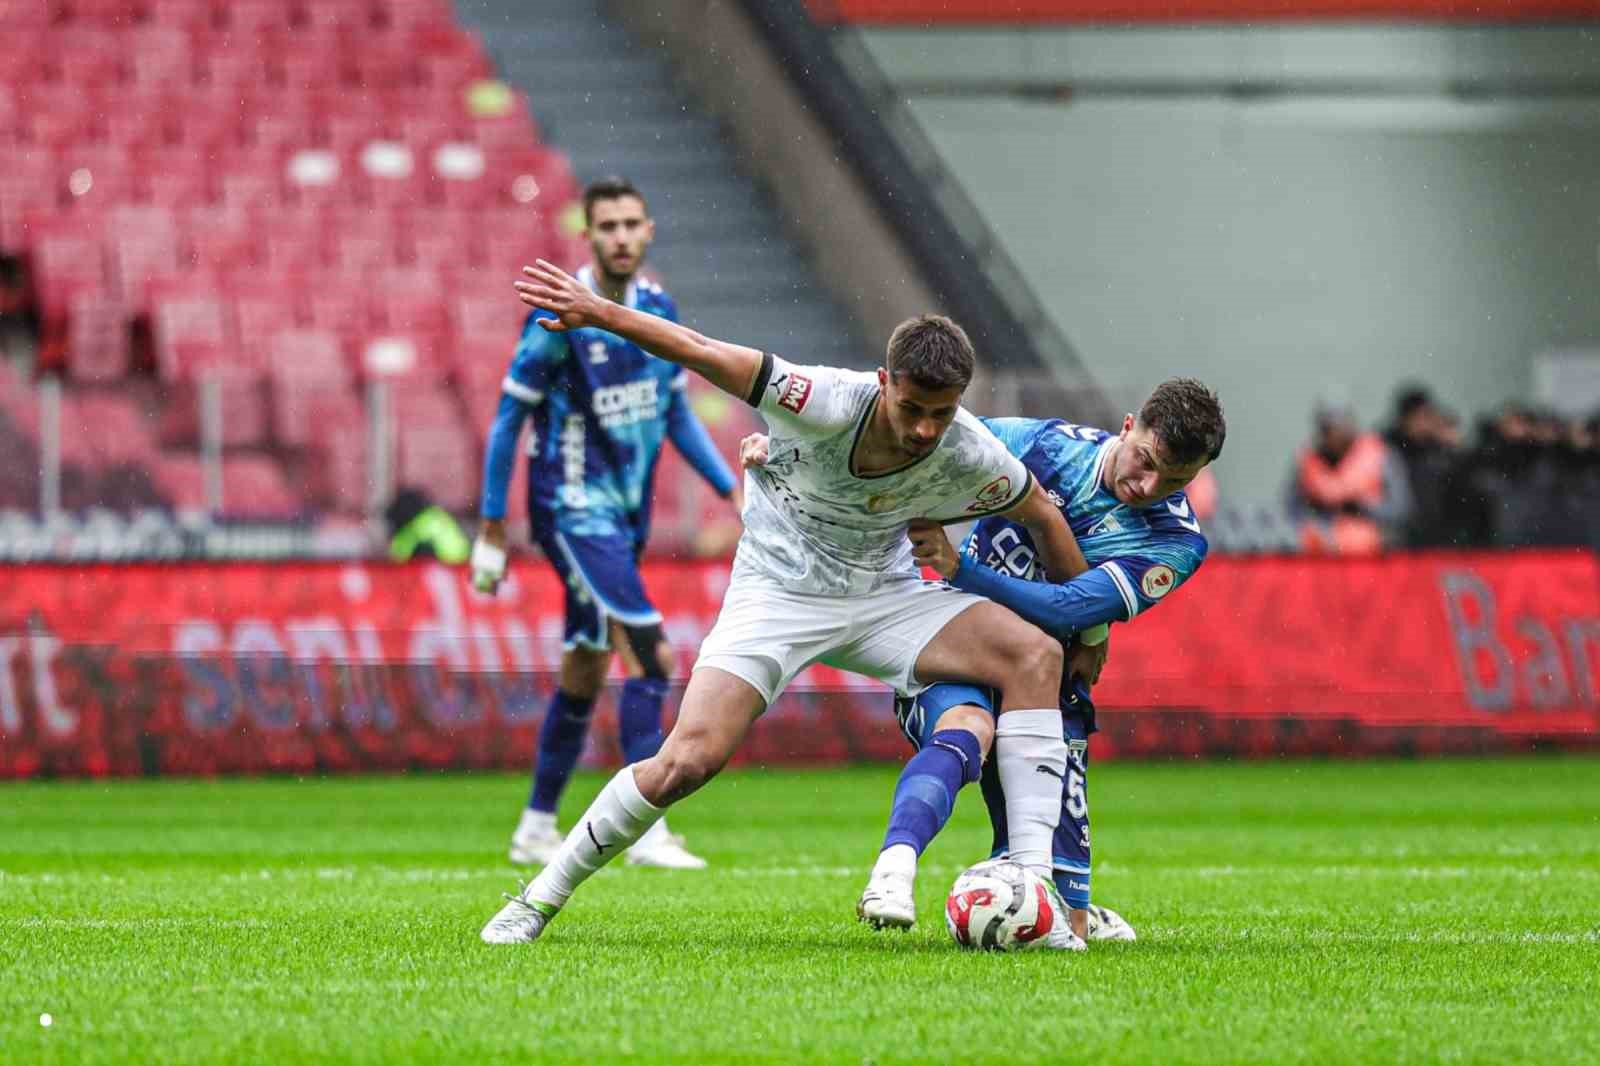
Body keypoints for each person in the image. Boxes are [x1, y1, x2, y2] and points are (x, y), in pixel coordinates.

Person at [480, 258, 1092, 948]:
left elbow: (1042, 511)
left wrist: (1089, 634)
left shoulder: (971, 451)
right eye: (911, 409)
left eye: (940, 413)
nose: (925, 430)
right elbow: (705, 351)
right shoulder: (822, 398)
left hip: (885, 598)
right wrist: (602, 313)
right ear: (883, 382)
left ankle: (1034, 887)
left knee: (1036, 654)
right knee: (687, 759)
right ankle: (536, 899)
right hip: (777, 594)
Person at [742, 378, 1225, 944]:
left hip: (1050, 682)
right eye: (1146, 461)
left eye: (1175, 480)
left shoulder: (1175, 539)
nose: (1149, 486)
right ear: (1127, 426)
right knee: (966, 727)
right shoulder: (1042, 446)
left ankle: (1069, 908)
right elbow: (912, 446)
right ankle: (893, 874)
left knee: (1057, 922)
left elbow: (1069, 608)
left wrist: (960, 567)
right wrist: (787, 452)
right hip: (957, 637)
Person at [471, 177, 741, 871]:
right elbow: (510, 419)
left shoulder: (656, 309)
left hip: (623, 518)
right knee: (649, 652)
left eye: (630, 224)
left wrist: (726, 489)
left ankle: (535, 825)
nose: (620, 236)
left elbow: (675, 411)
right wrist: (494, 525)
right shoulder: (561, 319)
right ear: (588, 236)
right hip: (572, 511)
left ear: (648, 230)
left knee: (588, 666)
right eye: (607, 226)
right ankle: (645, 829)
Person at [1288, 392, 1409, 555]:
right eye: (1327, 429)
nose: (1334, 435)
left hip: (1373, 555)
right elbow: (1291, 511)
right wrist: (1316, 512)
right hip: (1321, 555)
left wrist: (1362, 508)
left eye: (1339, 426)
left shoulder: (1379, 454)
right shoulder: (1308, 460)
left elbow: (1402, 510)